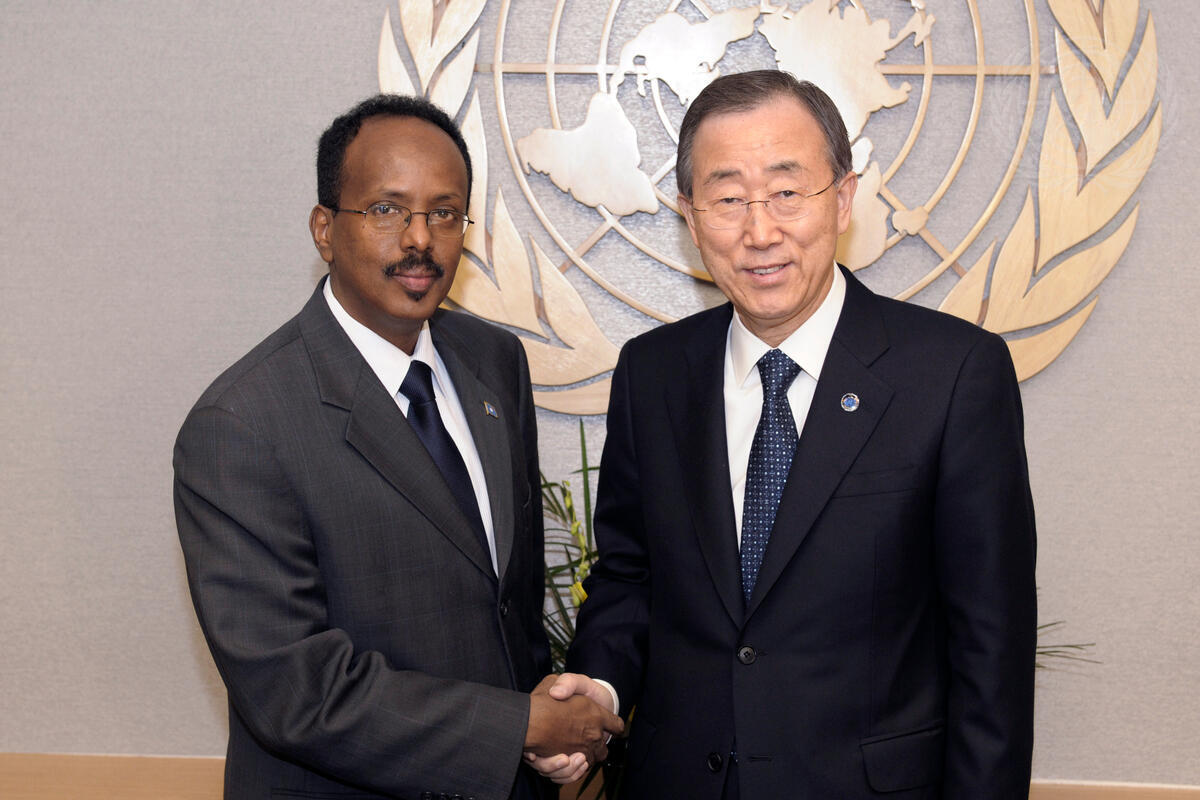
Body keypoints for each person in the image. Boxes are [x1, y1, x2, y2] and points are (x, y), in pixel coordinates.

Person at [533, 70, 1037, 798]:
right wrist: (599, 690)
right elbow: (630, 578)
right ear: (690, 215)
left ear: (843, 198)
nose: (759, 231)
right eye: (728, 199)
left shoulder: (953, 374)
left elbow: (991, 646)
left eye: (787, 191)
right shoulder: (653, 373)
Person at [174, 94, 621, 800]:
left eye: (444, 213)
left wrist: (547, 730)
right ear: (325, 230)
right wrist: (520, 727)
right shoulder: (241, 424)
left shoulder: (494, 360)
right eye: (387, 209)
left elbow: (508, 607)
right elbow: (295, 691)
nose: (420, 239)